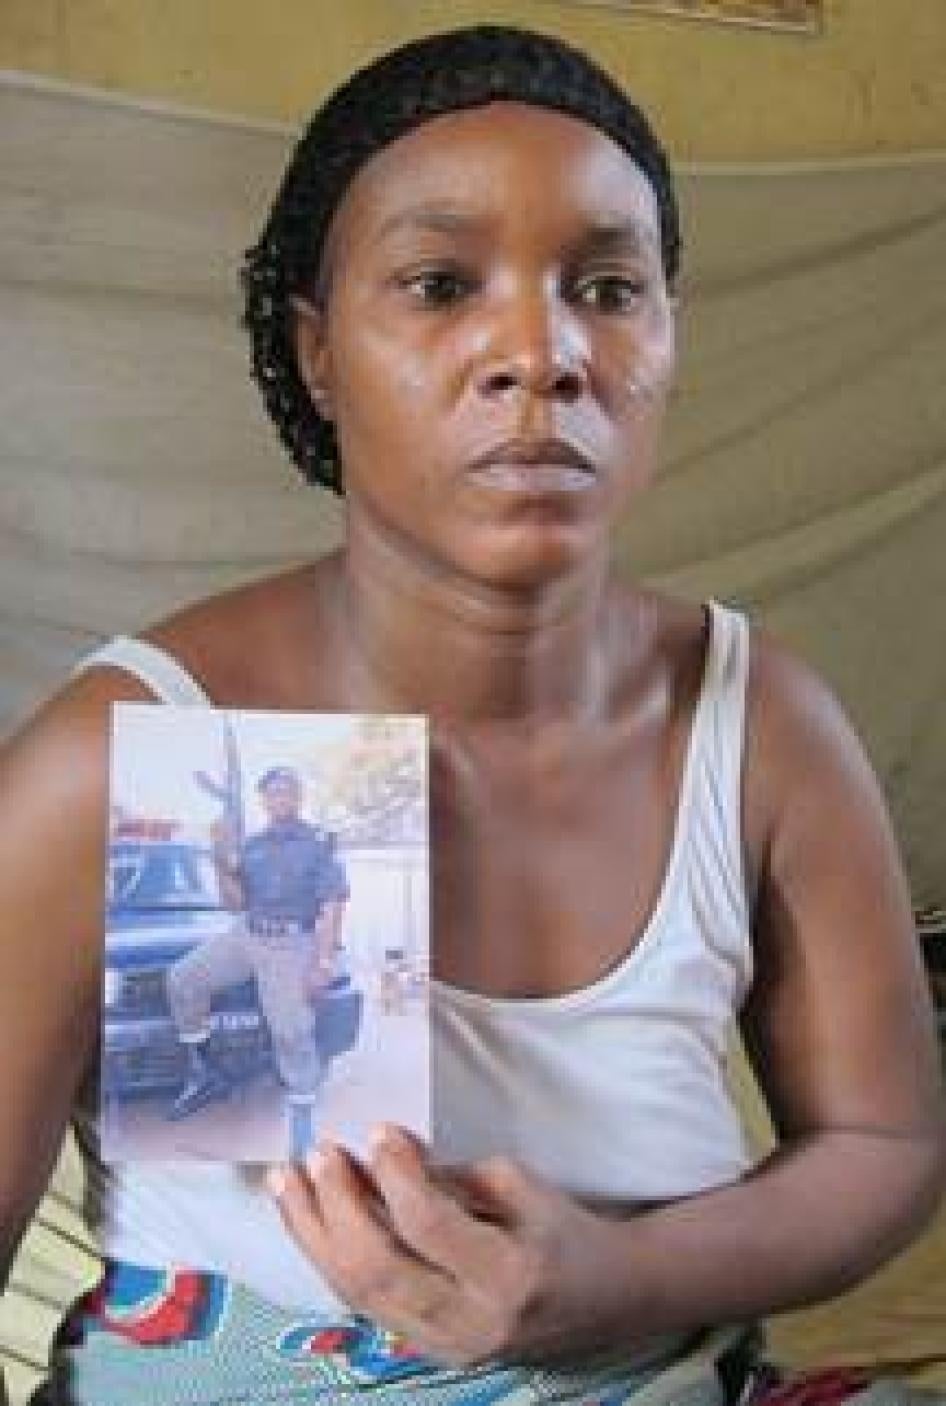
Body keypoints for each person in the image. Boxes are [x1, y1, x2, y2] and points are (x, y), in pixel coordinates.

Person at [1, 23, 943, 1406]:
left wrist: (623, 1278)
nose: (539, 351)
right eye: (440, 285)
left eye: (607, 288)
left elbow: (883, 1142)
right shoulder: (135, 750)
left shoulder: (757, 721)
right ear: (318, 354)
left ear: (667, 339)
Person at [164, 765, 349, 1157]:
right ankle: (205, 1073)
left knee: (291, 1033)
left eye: (288, 790)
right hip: (246, 934)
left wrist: (323, 963)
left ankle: (302, 1124)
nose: (281, 797)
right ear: (263, 799)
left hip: (291, 944)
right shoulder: (252, 845)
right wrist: (219, 856)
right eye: (273, 791)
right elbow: (234, 903)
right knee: (182, 979)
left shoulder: (318, 842)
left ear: (299, 797)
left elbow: (333, 906)